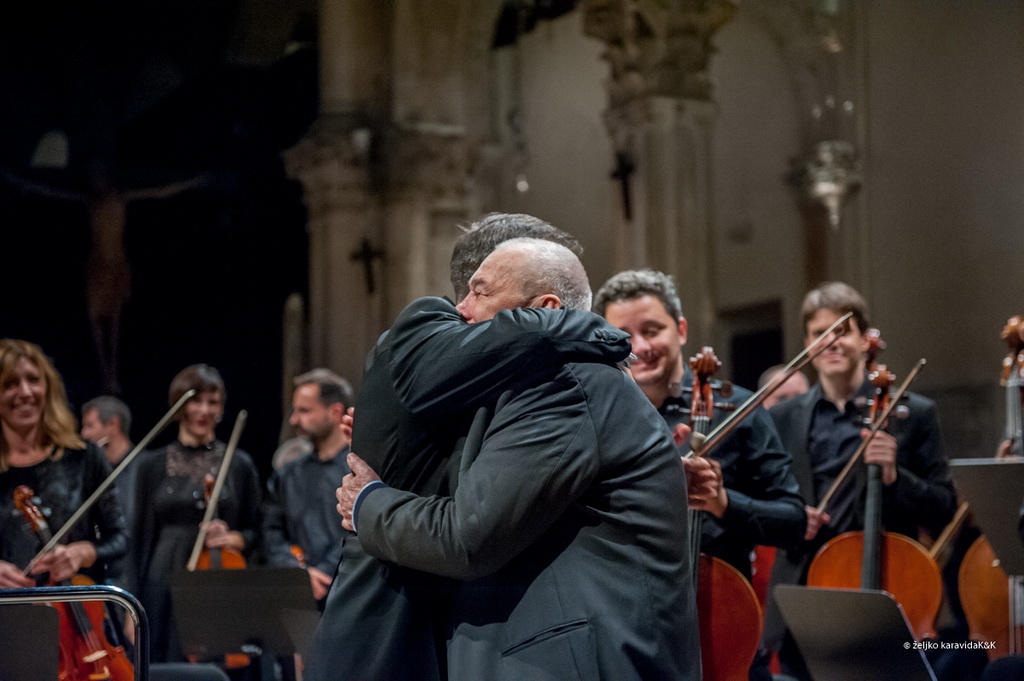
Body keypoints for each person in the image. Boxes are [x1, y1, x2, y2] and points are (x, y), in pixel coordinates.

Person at [304, 213, 676, 681]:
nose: (460, 310)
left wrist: (368, 503)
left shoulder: (567, 384)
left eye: (480, 293)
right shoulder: (533, 385)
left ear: (544, 310)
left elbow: (467, 536)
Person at [762, 282, 956, 681]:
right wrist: (794, 516)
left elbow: (945, 506)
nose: (831, 342)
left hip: (885, 586)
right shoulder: (782, 417)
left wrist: (895, 477)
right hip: (805, 591)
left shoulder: (913, 413)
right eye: (820, 333)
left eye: (842, 331)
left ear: (866, 340)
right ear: (806, 342)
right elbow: (764, 497)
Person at [593, 269, 805, 578]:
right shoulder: (602, 416)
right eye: (624, 336)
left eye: (652, 330)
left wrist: (723, 503)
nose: (639, 347)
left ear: (680, 329)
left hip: (721, 601)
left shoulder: (739, 410)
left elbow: (793, 522)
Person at [128, 363, 262, 663]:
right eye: (195, 401)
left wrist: (234, 538)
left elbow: (257, 531)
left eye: (212, 402)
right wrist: (132, 608)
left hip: (219, 577)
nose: (204, 410)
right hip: (163, 577)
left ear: (221, 408)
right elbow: (140, 538)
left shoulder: (239, 463)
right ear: (179, 406)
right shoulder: (152, 464)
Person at [0, 339, 128, 590]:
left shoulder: (84, 456)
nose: (25, 392)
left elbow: (119, 538)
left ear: (48, 387)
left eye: (33, 380)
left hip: (81, 607)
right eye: (10, 384)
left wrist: (84, 552)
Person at [262, 369, 353, 605]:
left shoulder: (360, 470)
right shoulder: (288, 474)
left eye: (304, 411)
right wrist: (296, 573)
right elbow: (271, 530)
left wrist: (325, 571)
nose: (293, 420)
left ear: (334, 412)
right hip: (297, 594)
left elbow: (360, 530)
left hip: (348, 592)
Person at [81, 395, 138, 518]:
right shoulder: (93, 470)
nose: (84, 434)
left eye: (90, 425)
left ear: (113, 425)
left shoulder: (145, 466)